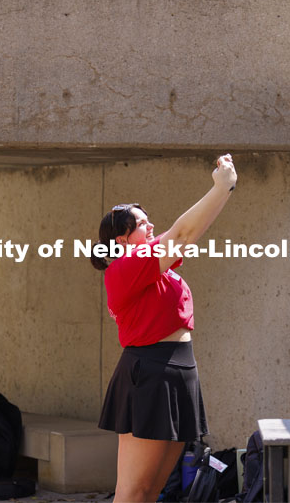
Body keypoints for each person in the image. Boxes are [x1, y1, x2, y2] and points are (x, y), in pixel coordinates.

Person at [91, 154, 238, 502]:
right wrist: (220, 188)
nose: (151, 226)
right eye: (143, 224)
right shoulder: (125, 267)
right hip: (151, 372)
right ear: (123, 240)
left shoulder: (157, 268)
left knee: (152, 491)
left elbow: (188, 236)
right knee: (133, 492)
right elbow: (184, 232)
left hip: (179, 371)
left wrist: (225, 190)